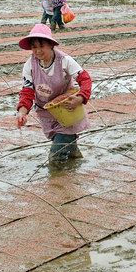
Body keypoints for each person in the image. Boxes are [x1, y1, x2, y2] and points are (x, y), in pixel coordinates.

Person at [15, 23, 92, 166]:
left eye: (41, 45)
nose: (37, 51)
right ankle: (75, 165)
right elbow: (27, 92)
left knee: (55, 158)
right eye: (34, 47)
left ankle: (59, 184)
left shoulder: (65, 61)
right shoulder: (29, 65)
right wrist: (22, 112)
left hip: (67, 111)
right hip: (47, 113)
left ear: (51, 44)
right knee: (68, 150)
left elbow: (85, 79)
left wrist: (80, 99)